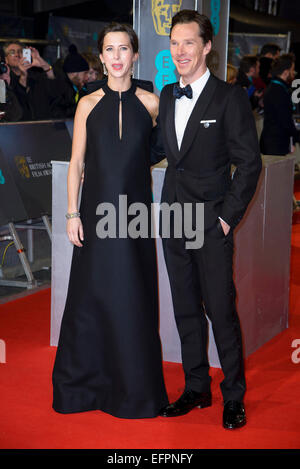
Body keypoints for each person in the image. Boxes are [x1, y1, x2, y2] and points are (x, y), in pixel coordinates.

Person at [52, 22, 169, 419]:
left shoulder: (153, 103)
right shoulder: (87, 104)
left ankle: (134, 393)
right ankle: (83, 388)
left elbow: (165, 151)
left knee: (133, 299)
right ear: (100, 58)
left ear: (134, 55)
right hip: (95, 216)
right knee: (90, 299)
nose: (117, 57)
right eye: (110, 49)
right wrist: (71, 213)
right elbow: (77, 164)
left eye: (124, 49)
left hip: (135, 218)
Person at [156, 10, 262, 429]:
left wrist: (226, 220)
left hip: (210, 223)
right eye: (174, 43)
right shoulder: (166, 95)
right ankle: (197, 387)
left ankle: (233, 395)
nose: (180, 51)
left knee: (221, 310)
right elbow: (158, 153)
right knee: (185, 309)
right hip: (172, 221)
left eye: (188, 43)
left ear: (206, 47)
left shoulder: (229, 98)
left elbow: (249, 164)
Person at [3, 41, 55, 120]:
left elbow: (55, 89)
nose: (17, 55)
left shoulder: (35, 76)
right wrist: (23, 76)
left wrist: (43, 64)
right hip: (16, 127)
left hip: (41, 125)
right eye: (12, 52)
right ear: (6, 59)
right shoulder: (3, 80)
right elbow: (4, 109)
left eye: (20, 51)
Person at [260, 53, 299, 156]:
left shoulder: (277, 88)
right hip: (275, 144)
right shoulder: (277, 91)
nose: (294, 73)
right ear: (286, 72)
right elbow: (285, 119)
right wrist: (296, 136)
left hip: (275, 141)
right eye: (292, 70)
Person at [49, 44, 89, 118]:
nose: (87, 77)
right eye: (85, 73)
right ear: (74, 73)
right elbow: (56, 113)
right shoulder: (59, 88)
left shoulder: (78, 88)